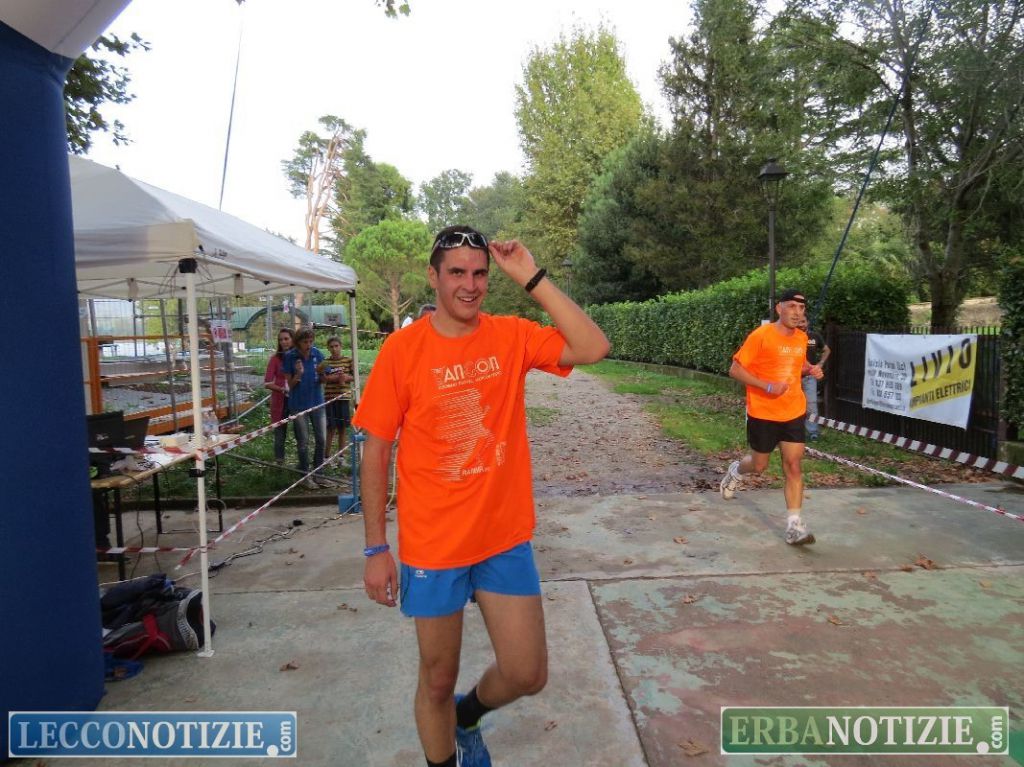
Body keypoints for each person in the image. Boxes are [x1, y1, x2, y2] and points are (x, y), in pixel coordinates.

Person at [353, 225, 610, 767]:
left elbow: (593, 347)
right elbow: (375, 451)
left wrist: (530, 276)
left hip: (502, 537)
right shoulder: (403, 350)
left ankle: (467, 716)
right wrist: (376, 548)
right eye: (456, 273)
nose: (469, 285)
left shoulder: (511, 335)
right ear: (433, 277)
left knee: (527, 673)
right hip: (434, 544)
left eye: (479, 274)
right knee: (436, 679)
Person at [719, 289, 824, 546]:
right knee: (759, 465)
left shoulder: (801, 338)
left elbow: (796, 365)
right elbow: (735, 369)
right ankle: (736, 470)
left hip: (793, 410)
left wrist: (810, 369)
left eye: (801, 308)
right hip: (763, 411)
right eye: (792, 307)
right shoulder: (761, 336)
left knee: (793, 465)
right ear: (779, 308)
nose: (797, 313)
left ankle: (794, 526)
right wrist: (767, 386)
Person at [283, 327, 330, 489]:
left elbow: (324, 380)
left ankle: (319, 473)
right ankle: (305, 475)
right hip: (298, 405)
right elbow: (289, 386)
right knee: (303, 441)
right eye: (305, 342)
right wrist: (298, 374)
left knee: (321, 439)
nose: (308, 345)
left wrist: (323, 374)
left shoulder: (317, 354)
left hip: (317, 402)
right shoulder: (290, 357)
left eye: (311, 341)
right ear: (298, 343)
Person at [318, 336, 353, 463]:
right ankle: (326, 456)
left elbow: (353, 376)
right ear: (328, 348)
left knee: (342, 428)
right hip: (330, 398)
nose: (334, 349)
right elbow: (322, 379)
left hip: (343, 398)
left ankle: (341, 457)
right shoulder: (325, 362)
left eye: (336, 346)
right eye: (331, 347)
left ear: (341, 346)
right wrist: (334, 378)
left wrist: (345, 377)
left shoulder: (348, 360)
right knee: (330, 427)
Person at [263, 328, 294, 464]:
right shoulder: (275, 359)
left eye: (286, 339)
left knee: (301, 431)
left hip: (297, 399)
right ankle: (279, 461)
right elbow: (267, 383)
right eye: (281, 339)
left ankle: (303, 463)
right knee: (280, 432)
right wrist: (282, 389)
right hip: (280, 400)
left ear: (293, 340)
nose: (283, 342)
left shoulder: (298, 357)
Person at [799, 317, 830, 441]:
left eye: (803, 321)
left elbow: (827, 350)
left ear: (808, 322)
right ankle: (792, 431)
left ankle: (813, 432)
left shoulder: (814, 336)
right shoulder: (790, 336)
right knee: (792, 404)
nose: (801, 324)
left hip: (809, 377)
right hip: (792, 377)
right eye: (799, 322)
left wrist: (820, 364)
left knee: (811, 404)